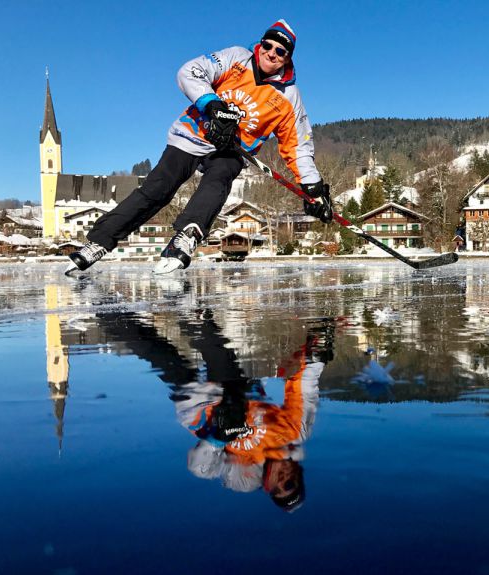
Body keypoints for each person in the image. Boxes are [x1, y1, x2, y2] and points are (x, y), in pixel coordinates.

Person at [66, 19, 332, 276]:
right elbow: (190, 71)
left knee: (221, 176)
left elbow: (298, 145)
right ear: (260, 44)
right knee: (158, 187)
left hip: (231, 149)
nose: (271, 53)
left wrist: (312, 187)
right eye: (268, 45)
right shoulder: (236, 58)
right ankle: (99, 242)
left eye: (280, 51)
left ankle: (186, 235)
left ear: (288, 58)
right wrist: (212, 104)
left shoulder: (288, 96)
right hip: (192, 135)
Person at [94, 309, 336, 511]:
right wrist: (315, 358)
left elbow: (199, 468)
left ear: (267, 486)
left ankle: (109, 315)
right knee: (223, 362)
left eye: (279, 487)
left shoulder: (243, 473)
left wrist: (219, 439)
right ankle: (192, 314)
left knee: (161, 354)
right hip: (234, 392)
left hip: (199, 408)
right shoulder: (293, 433)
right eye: (292, 482)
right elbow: (302, 391)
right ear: (298, 472)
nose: (284, 479)